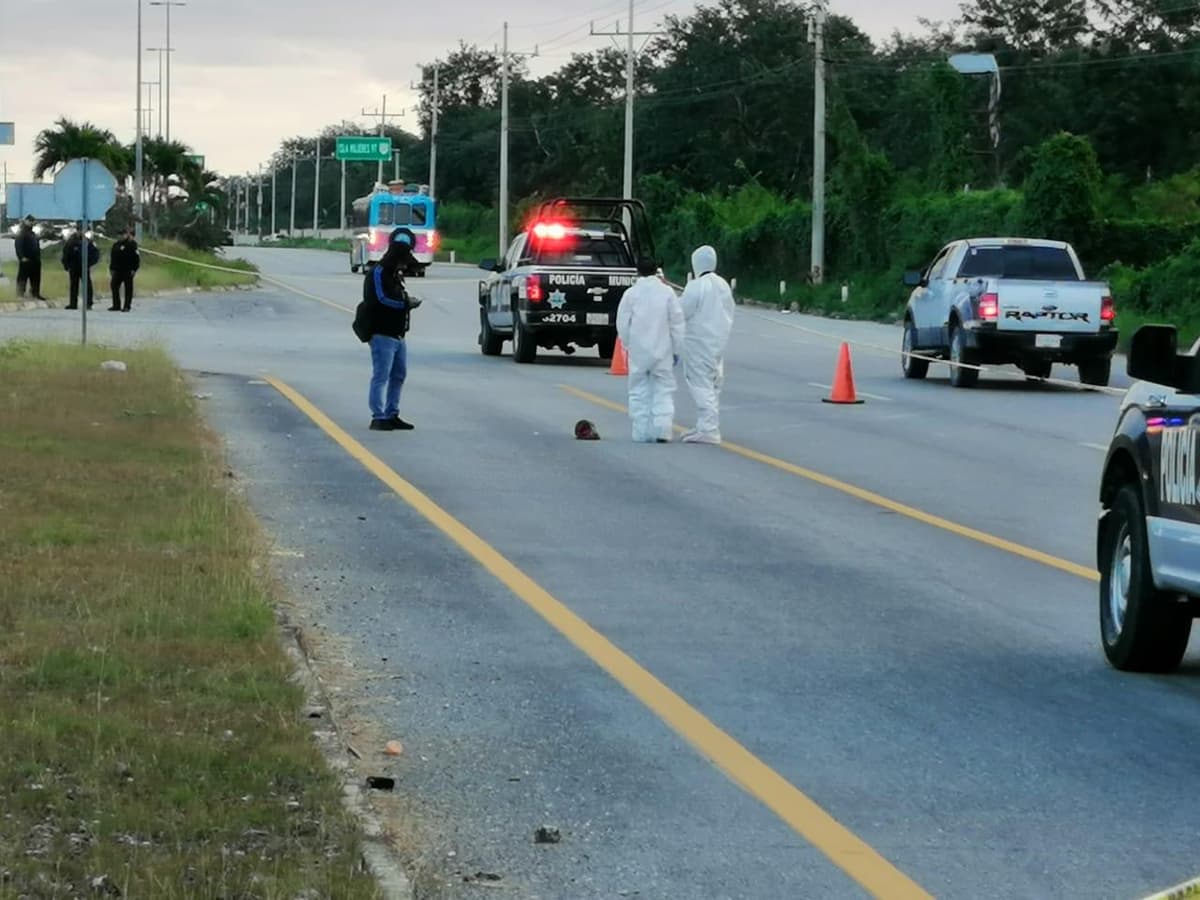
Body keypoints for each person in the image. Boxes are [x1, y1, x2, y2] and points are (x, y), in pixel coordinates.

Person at [615, 256, 685, 443]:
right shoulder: (667, 292)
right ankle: (663, 430)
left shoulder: (631, 294)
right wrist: (676, 349)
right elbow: (677, 322)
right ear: (656, 271)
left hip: (638, 350)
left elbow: (622, 323)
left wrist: (627, 344)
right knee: (663, 389)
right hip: (663, 350)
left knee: (638, 391)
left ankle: (641, 432)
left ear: (637, 271)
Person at [361, 227, 422, 431]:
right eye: (403, 261)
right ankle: (378, 416)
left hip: (397, 333)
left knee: (399, 375)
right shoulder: (378, 273)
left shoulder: (395, 274)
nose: (404, 265)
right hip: (381, 332)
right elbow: (381, 299)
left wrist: (405, 301)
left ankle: (392, 413)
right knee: (381, 375)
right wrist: (405, 303)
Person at [679, 245, 736, 444]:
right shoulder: (723, 285)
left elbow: (681, 311)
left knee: (700, 384)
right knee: (713, 385)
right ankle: (704, 425)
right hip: (718, 342)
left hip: (698, 343)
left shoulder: (696, 286)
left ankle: (709, 429)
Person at [62, 227, 100, 310]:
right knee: (74, 286)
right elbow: (66, 253)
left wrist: (89, 263)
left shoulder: (88, 242)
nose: (81, 232)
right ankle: (73, 304)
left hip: (84, 267)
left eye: (82, 230)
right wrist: (66, 265)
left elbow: (95, 254)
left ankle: (88, 303)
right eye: (79, 230)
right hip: (74, 267)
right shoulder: (71, 242)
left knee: (87, 286)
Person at [108, 226, 141, 312]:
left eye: (123, 234)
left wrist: (134, 269)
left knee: (128, 288)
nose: (121, 236)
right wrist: (111, 268)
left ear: (127, 235)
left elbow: (136, 258)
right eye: (119, 234)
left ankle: (127, 306)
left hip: (128, 270)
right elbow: (113, 257)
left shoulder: (132, 244)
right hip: (117, 270)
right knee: (114, 286)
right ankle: (116, 305)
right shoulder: (116, 245)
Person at [15, 216, 45, 300]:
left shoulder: (32, 233)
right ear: (26, 221)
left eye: (33, 221)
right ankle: (20, 294)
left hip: (35, 259)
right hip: (26, 258)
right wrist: (21, 257)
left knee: (36, 277)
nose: (32, 223)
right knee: (23, 277)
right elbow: (18, 246)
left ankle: (35, 293)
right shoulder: (22, 233)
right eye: (30, 221)